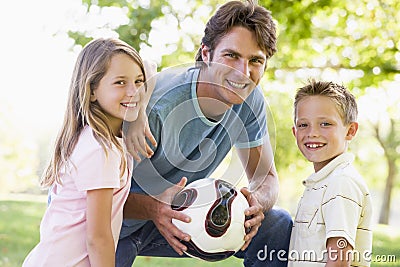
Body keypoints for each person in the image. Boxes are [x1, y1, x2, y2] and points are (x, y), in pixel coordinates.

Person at [117, 1, 293, 266]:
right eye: (231, 55)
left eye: (255, 60)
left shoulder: (250, 100)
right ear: (206, 54)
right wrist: (154, 208)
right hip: (114, 221)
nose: (242, 73)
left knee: (277, 224)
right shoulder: (158, 105)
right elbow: (98, 194)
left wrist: (255, 204)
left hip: (178, 218)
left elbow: (266, 178)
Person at [23, 38, 154, 267]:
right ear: (92, 90)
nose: (133, 91)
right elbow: (98, 238)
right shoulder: (100, 148)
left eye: (138, 81)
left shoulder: (100, 139)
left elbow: (150, 65)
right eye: (120, 83)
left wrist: (140, 111)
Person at [289, 80, 373, 267]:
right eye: (303, 125)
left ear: (350, 130)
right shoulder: (322, 183)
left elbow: (339, 260)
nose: (312, 133)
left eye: (325, 124)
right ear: (294, 132)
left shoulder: (341, 183)